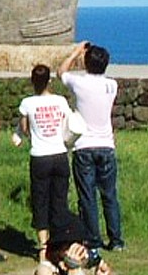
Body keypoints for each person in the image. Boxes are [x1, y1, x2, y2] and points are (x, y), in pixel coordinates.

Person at [59, 42, 123, 252]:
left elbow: (61, 71)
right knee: (109, 195)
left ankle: (92, 238)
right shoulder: (111, 85)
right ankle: (116, 239)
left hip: (84, 145)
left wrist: (77, 51)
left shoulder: (80, 83)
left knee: (87, 196)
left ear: (86, 63)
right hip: (106, 144)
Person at [16, 64, 75, 259]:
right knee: (59, 201)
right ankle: (59, 244)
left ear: (32, 82)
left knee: (40, 201)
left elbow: (24, 129)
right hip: (59, 154)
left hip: (40, 156)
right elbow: (68, 124)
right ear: (49, 81)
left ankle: (43, 248)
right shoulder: (61, 101)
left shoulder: (27, 103)